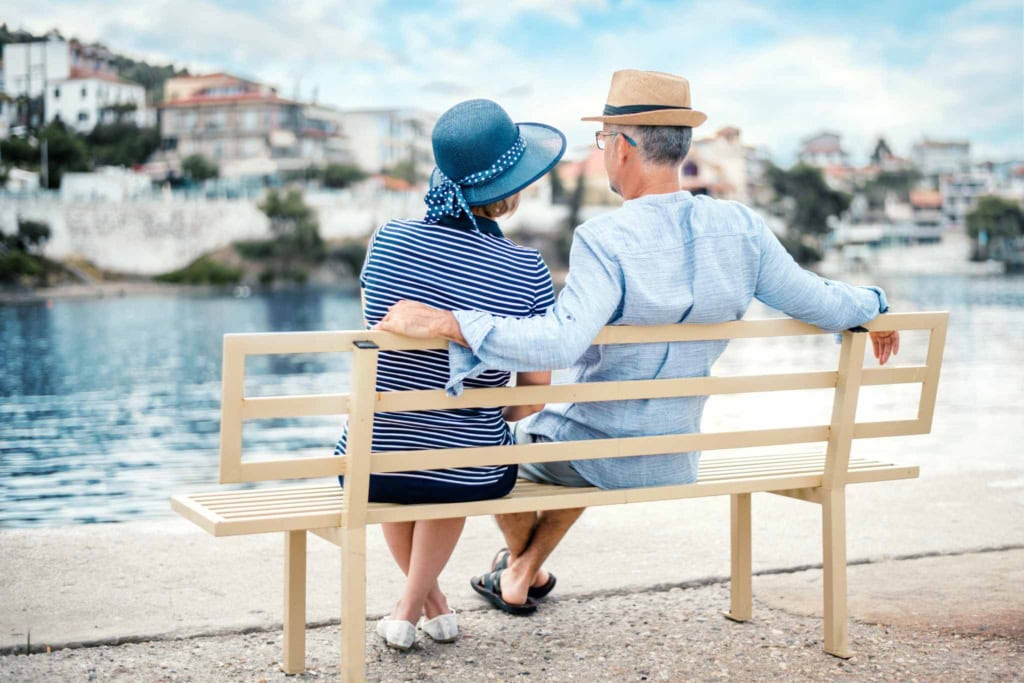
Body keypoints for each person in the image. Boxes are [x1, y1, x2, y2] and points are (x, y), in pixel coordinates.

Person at [375, 70, 901, 614]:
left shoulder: (605, 238)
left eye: (603, 140)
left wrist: (453, 324)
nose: (603, 153)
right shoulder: (742, 228)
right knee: (572, 435)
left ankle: (518, 567)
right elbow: (822, 302)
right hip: (678, 452)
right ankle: (522, 571)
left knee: (506, 449)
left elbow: (559, 342)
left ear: (623, 146)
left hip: (600, 453)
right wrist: (876, 306)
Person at [334, 99, 566, 648]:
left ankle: (421, 605)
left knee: (404, 446)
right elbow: (534, 397)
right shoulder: (527, 270)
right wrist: (486, 409)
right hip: (467, 471)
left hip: (370, 462)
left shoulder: (387, 240)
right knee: (459, 452)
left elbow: (379, 341)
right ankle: (415, 604)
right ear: (510, 189)